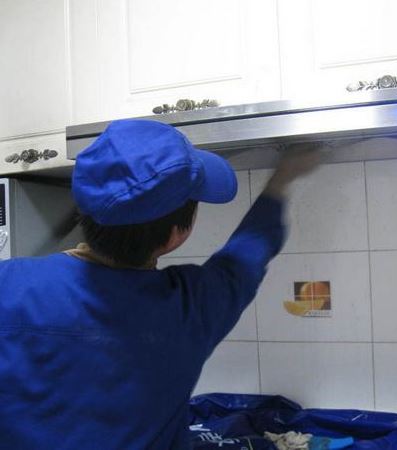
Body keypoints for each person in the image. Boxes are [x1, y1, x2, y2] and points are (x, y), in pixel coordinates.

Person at [0, 119, 320, 450]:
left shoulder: (7, 283)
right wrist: (283, 178)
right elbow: (247, 254)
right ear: (176, 235)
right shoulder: (190, 308)